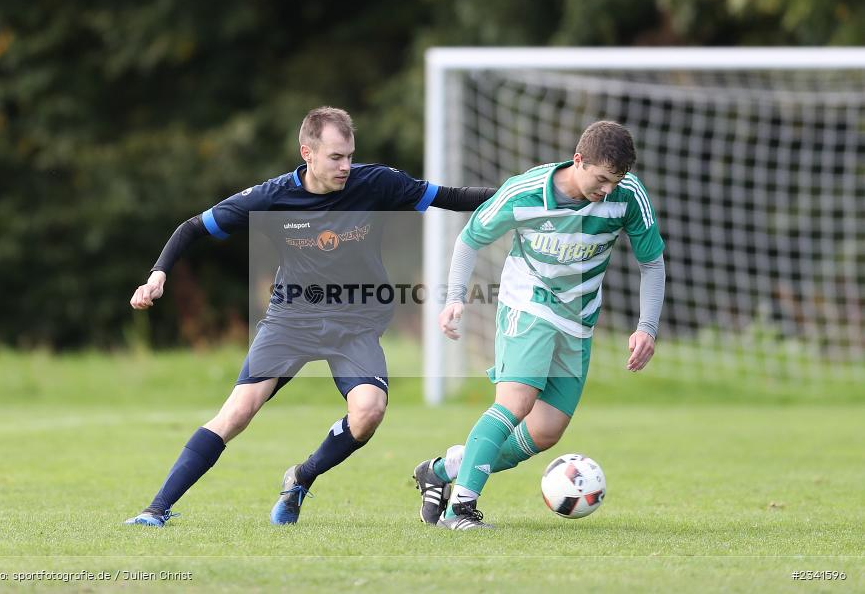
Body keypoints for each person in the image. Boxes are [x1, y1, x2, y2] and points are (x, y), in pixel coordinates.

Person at [124, 106, 494, 527]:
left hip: (356, 321)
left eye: (349, 156)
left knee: (368, 412)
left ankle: (301, 477)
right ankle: (155, 510)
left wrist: (521, 192)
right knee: (238, 412)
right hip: (292, 319)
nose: (345, 166)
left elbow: (452, 197)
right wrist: (158, 274)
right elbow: (193, 227)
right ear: (307, 153)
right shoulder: (272, 198)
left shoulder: (377, 183)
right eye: (335, 157)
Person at [412, 120, 666, 529]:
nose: (607, 190)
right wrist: (455, 297)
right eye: (601, 180)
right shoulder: (524, 192)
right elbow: (471, 238)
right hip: (528, 301)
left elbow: (651, 262)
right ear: (578, 160)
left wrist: (647, 326)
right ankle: (460, 509)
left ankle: (443, 470)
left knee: (546, 431)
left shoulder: (628, 195)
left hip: (579, 318)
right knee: (516, 402)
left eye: (615, 182)